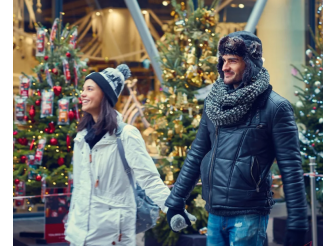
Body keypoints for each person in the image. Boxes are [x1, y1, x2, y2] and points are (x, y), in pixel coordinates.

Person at [165, 32, 309, 246]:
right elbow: (197, 153)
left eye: (233, 60)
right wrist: (176, 201)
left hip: (249, 215)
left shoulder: (276, 107)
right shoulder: (213, 104)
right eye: (223, 60)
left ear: (250, 64)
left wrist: (298, 224)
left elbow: (291, 168)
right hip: (214, 214)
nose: (225, 67)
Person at [64, 64, 171, 246]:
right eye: (83, 89)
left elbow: (149, 179)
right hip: (79, 233)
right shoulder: (81, 138)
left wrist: (172, 208)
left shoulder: (126, 134)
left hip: (112, 234)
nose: (82, 94)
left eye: (89, 89)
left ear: (104, 94)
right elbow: (80, 187)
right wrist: (72, 223)